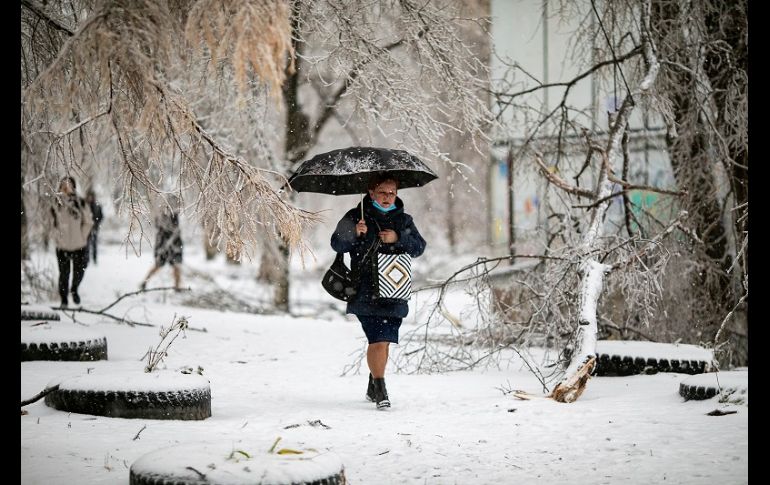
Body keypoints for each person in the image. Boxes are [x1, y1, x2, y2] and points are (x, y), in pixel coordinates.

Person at [330, 175, 426, 410]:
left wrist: (398, 237)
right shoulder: (356, 215)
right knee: (378, 339)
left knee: (384, 341)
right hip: (365, 291)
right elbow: (336, 244)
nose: (387, 197)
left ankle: (373, 384)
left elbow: (419, 247)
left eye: (392, 192)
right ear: (371, 192)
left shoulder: (403, 220)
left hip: (394, 289)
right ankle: (381, 389)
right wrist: (354, 232)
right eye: (382, 192)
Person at [50, 176, 94, 307]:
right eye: (63, 184)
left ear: (73, 187)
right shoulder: (56, 203)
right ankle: (64, 300)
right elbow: (51, 223)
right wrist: (57, 237)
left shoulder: (80, 203)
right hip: (62, 246)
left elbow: (88, 222)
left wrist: (82, 236)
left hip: (79, 245)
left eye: (68, 184)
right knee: (63, 274)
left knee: (79, 272)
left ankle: (74, 289)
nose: (65, 187)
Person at [140, 200, 184, 291]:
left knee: (176, 266)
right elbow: (163, 229)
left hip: (173, 245)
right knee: (159, 265)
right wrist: (164, 245)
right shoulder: (162, 216)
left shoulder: (173, 215)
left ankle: (177, 286)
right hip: (163, 245)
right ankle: (144, 282)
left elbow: (176, 230)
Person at [85, 188, 104, 264]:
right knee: (86, 245)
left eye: (91, 196)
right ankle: (87, 259)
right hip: (86, 229)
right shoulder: (85, 205)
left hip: (94, 228)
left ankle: (94, 259)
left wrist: (97, 223)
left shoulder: (97, 206)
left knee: (94, 244)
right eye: (89, 196)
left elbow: (101, 216)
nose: (90, 198)